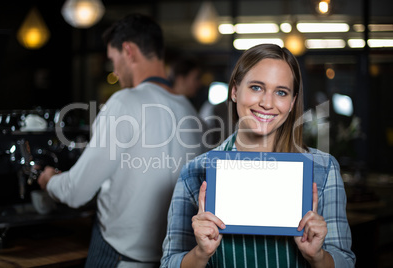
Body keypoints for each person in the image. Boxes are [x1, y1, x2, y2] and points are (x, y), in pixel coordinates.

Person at [160, 44, 355, 267]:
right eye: (256, 87)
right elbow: (169, 263)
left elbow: (345, 261)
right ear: (234, 91)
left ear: (292, 102)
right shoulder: (195, 172)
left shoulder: (323, 169)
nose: (267, 103)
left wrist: (318, 256)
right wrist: (201, 253)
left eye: (281, 92)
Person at [38, 14, 205, 267]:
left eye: (113, 60)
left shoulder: (124, 102)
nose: (114, 71)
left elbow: (76, 191)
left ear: (128, 50)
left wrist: (49, 180)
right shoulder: (188, 110)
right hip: (171, 258)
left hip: (119, 256)